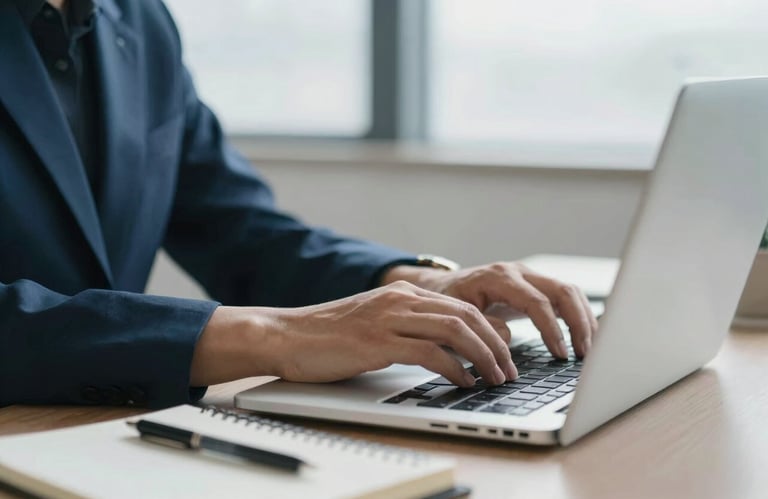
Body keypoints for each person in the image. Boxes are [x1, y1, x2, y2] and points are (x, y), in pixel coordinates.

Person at [0, 0, 597, 408]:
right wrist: (271, 334)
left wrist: (415, 284)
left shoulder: (138, 20)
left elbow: (235, 226)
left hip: (87, 434)